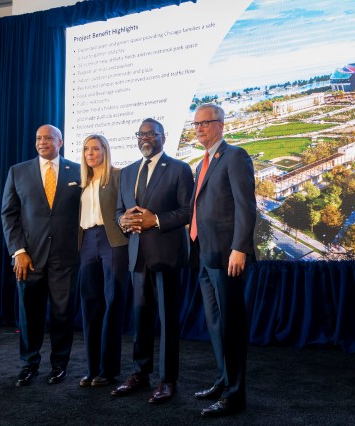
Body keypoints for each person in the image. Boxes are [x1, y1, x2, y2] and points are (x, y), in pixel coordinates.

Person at [113, 118, 193, 404]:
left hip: (167, 256)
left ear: (163, 137)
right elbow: (120, 211)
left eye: (151, 134)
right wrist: (122, 220)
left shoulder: (179, 169)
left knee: (168, 321)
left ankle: (168, 379)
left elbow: (187, 212)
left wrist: (155, 220)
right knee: (140, 318)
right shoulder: (127, 172)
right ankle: (140, 373)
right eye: (141, 134)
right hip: (137, 257)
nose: (145, 138)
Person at [189, 104, 257, 417]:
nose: (199, 128)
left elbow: (245, 206)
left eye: (205, 123)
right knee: (216, 325)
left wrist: (240, 247)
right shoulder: (203, 162)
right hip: (205, 255)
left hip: (228, 256)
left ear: (221, 125)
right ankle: (223, 379)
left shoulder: (235, 156)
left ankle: (235, 395)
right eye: (196, 124)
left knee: (231, 326)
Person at [1, 124, 81, 387]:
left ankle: (59, 366)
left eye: (48, 138)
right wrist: (18, 251)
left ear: (60, 142)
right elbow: (9, 214)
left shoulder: (78, 171)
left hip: (65, 258)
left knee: (62, 314)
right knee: (29, 314)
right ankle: (29, 365)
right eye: (38, 138)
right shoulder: (18, 171)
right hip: (29, 258)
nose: (42, 142)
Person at [78, 134, 129, 387]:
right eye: (86, 149)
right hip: (87, 242)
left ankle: (108, 370)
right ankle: (92, 368)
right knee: (90, 305)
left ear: (105, 151)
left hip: (114, 243)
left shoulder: (118, 176)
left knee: (112, 303)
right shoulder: (81, 183)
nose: (90, 153)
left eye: (95, 148)